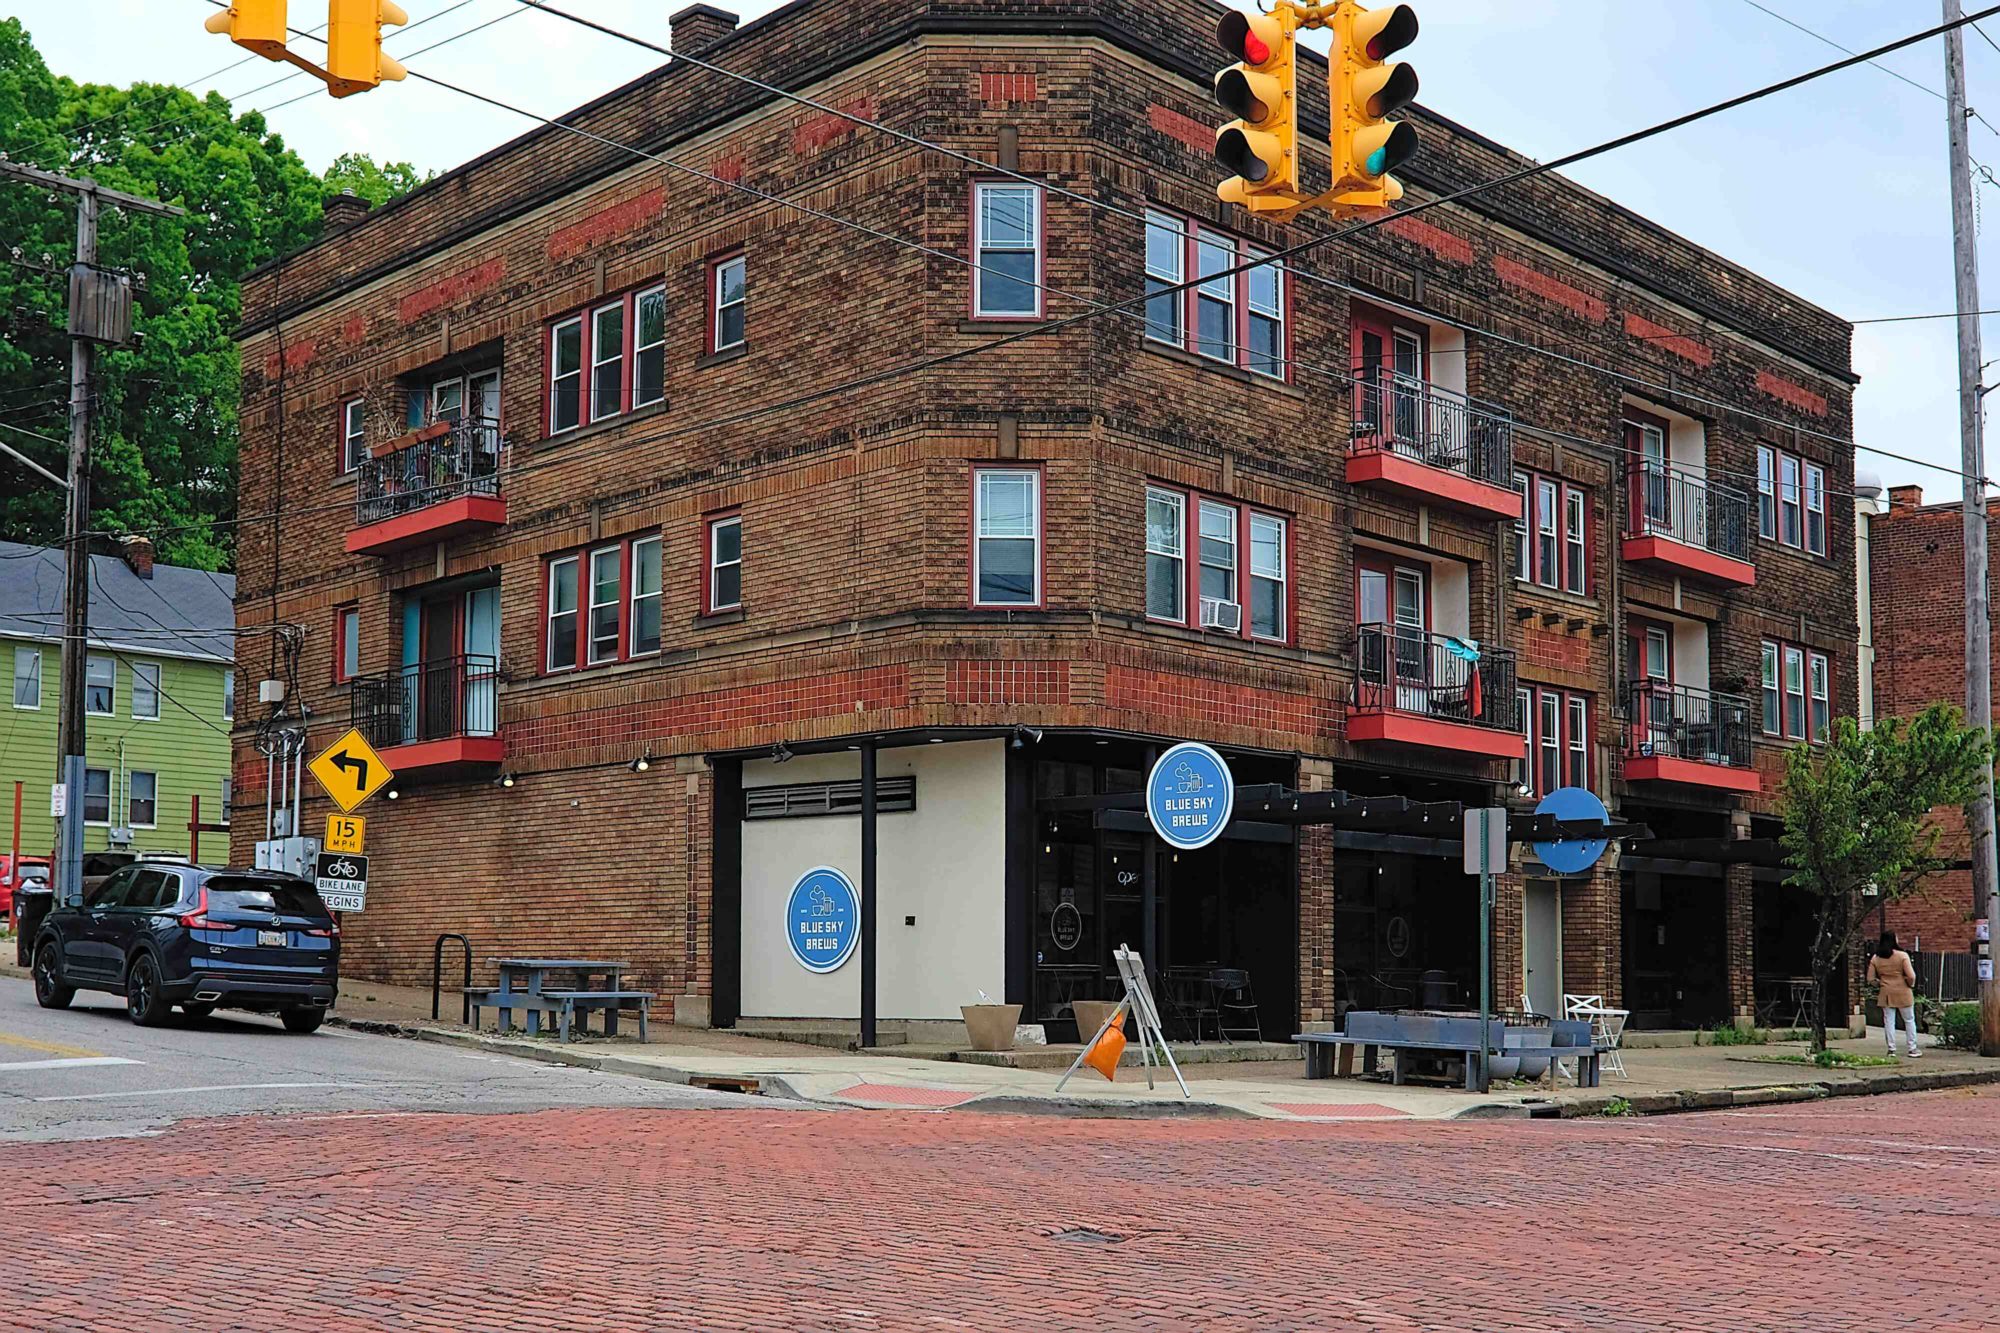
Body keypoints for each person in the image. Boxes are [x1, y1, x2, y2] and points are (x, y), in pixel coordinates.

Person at [1868, 931, 1921, 1059]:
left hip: (1886, 991)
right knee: (1909, 1020)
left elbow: (1870, 979)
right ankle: (1912, 1048)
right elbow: (1911, 976)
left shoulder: (1876, 958)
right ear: (1894, 940)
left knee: (1889, 1021)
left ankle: (1891, 1049)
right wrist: (1910, 984)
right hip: (1903, 990)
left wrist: (1880, 984)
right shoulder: (1902, 956)